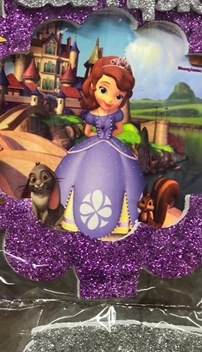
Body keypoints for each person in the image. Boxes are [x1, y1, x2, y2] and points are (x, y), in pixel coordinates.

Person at [55, 56, 145, 239]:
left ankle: (121, 223)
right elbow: (88, 131)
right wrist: (97, 137)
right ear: (93, 87)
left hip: (110, 144)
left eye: (118, 96)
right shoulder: (92, 115)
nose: (110, 99)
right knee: (78, 170)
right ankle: (70, 218)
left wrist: (107, 136)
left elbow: (119, 129)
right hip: (96, 142)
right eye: (104, 90)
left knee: (123, 174)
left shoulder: (116, 114)